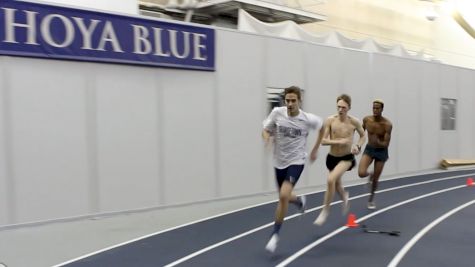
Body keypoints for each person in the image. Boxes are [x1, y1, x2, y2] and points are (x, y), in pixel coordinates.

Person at [262, 86, 324, 253]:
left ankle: (275, 234)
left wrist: (315, 148)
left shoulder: (308, 119)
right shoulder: (277, 113)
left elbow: (322, 127)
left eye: (293, 101)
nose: (289, 104)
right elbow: (266, 129)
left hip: (296, 161)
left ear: (299, 101)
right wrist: (267, 138)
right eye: (287, 100)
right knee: (285, 196)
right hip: (279, 162)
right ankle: (298, 201)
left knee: (283, 196)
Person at [314, 94, 365, 226]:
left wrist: (358, 146)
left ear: (349, 108)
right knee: (336, 185)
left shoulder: (354, 122)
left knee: (330, 180)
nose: (340, 109)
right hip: (332, 158)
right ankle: (344, 196)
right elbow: (323, 141)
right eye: (338, 107)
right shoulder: (330, 120)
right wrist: (338, 141)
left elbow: (363, 136)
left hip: (347, 158)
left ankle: (325, 211)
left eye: (343, 107)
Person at [358, 99, 392, 210]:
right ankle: (370, 175)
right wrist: (357, 145)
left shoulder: (387, 124)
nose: (375, 110)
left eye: (377, 108)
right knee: (361, 172)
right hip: (370, 149)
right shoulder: (367, 120)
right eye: (374, 108)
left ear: (382, 109)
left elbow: (386, 143)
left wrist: (379, 142)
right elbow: (361, 133)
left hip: (381, 151)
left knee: (376, 179)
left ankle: (371, 199)